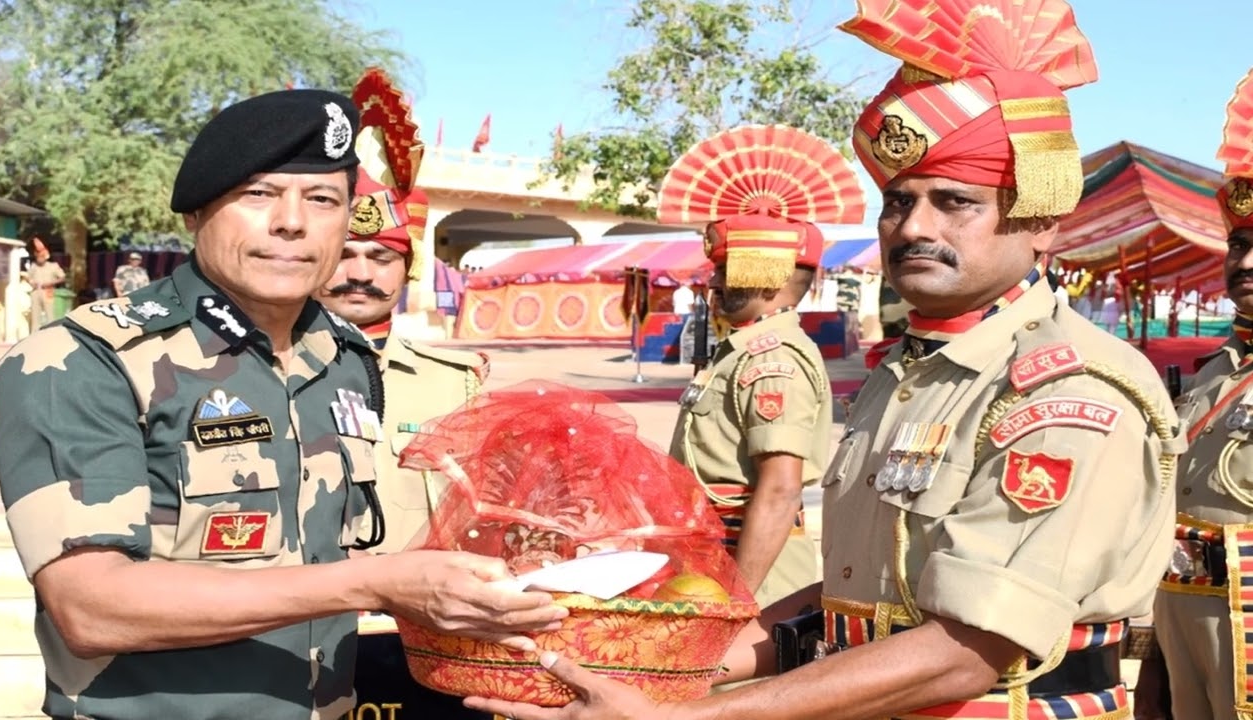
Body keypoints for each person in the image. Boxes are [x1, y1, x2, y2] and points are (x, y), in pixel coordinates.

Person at [464, 2, 1181, 719]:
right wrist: (661, 667)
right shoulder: (909, 371)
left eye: (954, 202)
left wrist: (680, 716)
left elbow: (969, 648)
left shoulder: (1067, 388)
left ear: (1040, 221)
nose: (914, 227)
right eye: (897, 202)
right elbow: (853, 597)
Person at [0, 87, 566, 720]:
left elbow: (325, 549)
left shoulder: (344, 357)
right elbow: (89, 607)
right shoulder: (83, 359)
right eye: (259, 194)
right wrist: (376, 584)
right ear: (195, 215)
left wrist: (508, 561)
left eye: (322, 199)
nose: (292, 222)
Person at [314, 66, 494, 720]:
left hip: (425, 639)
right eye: (346, 253)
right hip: (302, 632)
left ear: (408, 267)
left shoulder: (458, 380)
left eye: (383, 257)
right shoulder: (260, 370)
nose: (361, 273)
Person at [658, 124, 858, 609]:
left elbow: (780, 490)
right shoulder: (742, 348)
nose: (714, 283)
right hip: (712, 555)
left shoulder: (772, 358)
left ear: (765, 276)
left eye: (726, 271)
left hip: (750, 573)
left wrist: (736, 601)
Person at [1148, 64, 1253, 720]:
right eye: (1238, 244)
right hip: (1183, 618)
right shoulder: (1216, 369)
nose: (1246, 262)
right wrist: (1154, 663)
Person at [24, 235, 66, 331]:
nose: (39, 257)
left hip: (48, 291)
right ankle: (34, 334)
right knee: (35, 317)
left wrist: (51, 282)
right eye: (37, 255)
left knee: (50, 315)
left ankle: (51, 334)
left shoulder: (53, 266)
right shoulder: (34, 266)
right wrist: (31, 282)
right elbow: (28, 277)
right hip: (36, 291)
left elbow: (62, 277)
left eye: (41, 255)